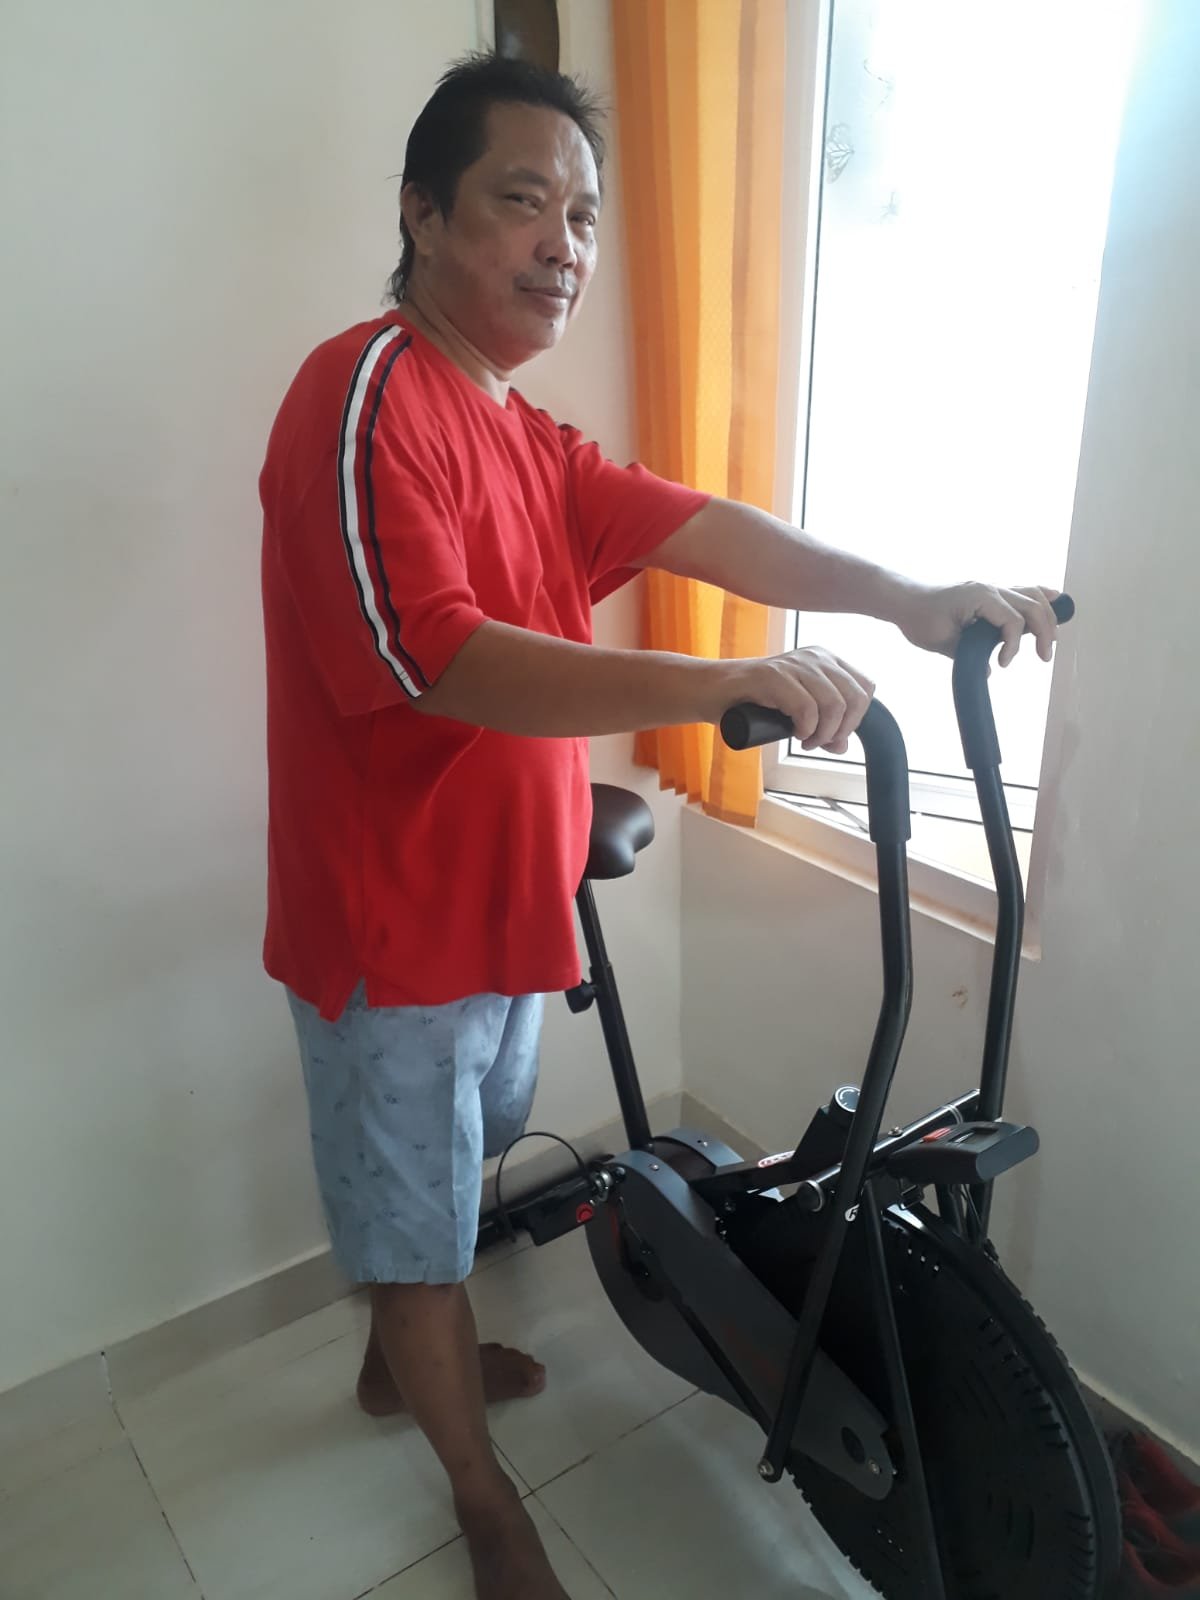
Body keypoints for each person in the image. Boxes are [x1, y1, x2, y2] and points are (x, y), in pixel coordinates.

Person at [259, 50, 1061, 1600]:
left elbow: (704, 527)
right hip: (394, 932)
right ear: (423, 215)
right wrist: (719, 682)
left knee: (448, 1180)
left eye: (584, 214)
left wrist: (904, 598)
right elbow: (441, 657)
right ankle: (484, 1501)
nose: (564, 242)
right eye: (522, 201)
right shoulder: (363, 396)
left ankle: (393, 1361)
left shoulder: (524, 433)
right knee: (417, 1218)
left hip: (511, 906)